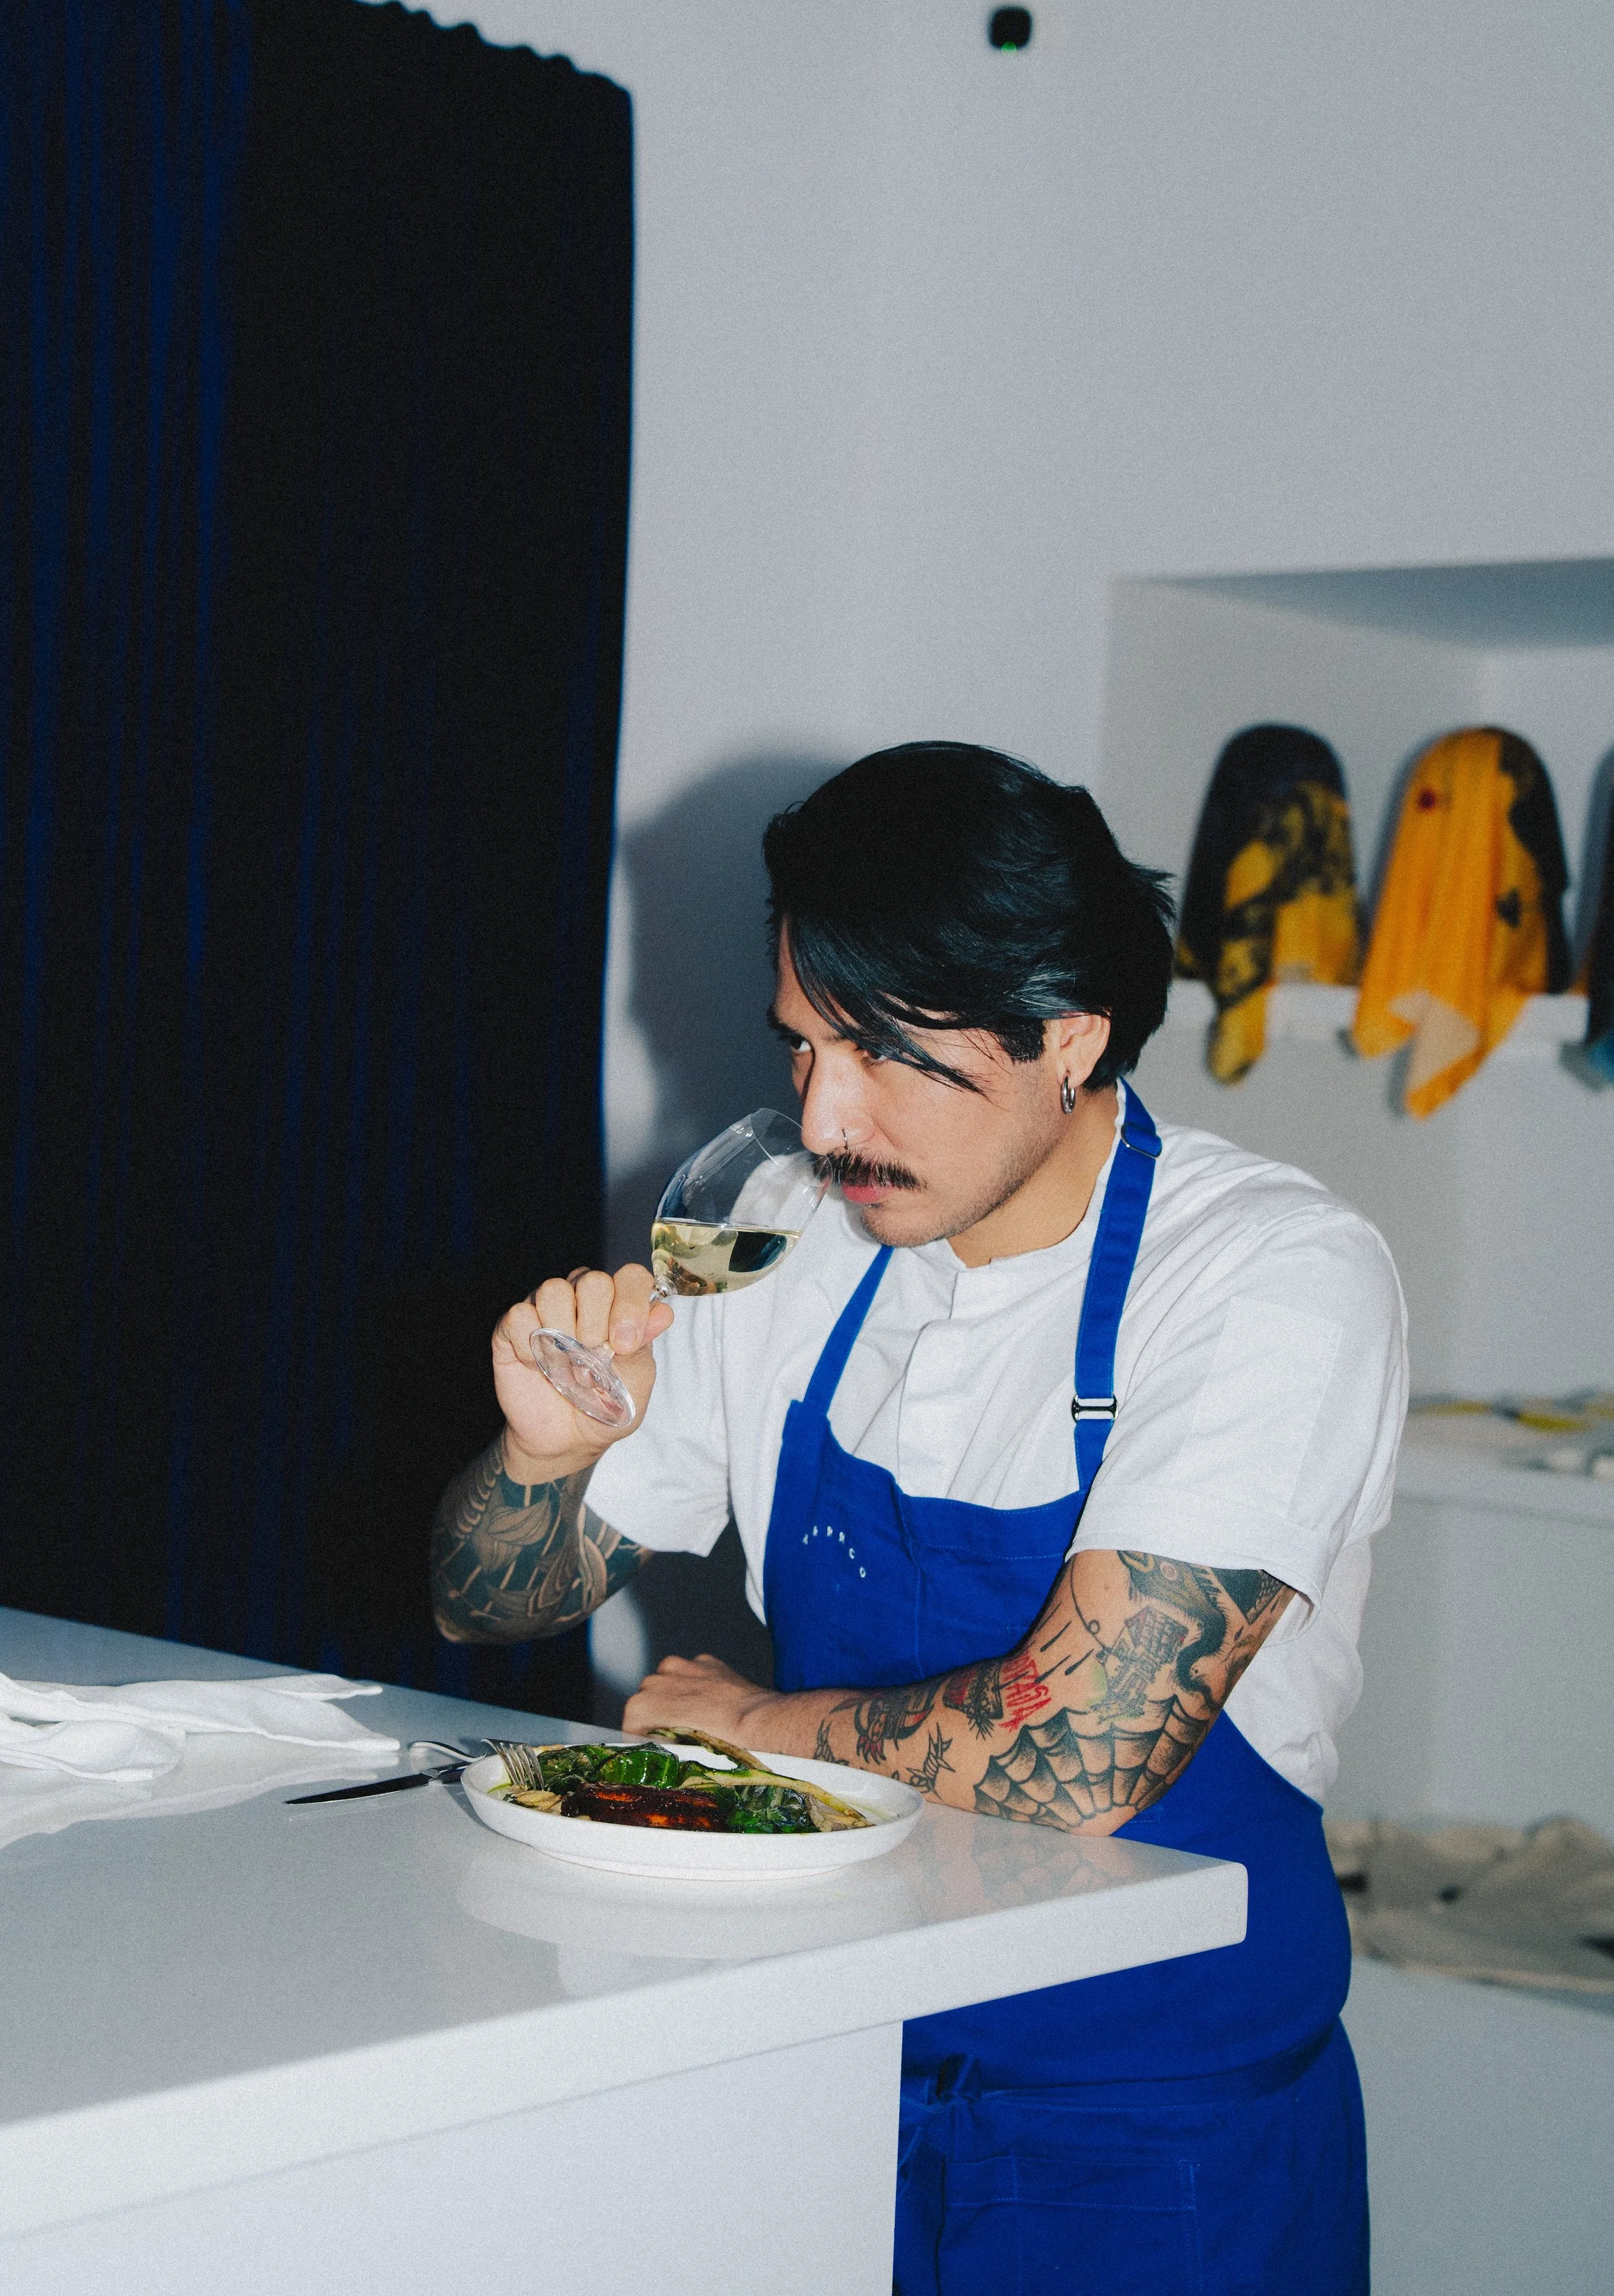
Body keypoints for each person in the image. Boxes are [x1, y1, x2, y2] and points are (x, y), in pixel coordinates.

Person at [432, 741, 1405, 2295]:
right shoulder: (777, 1233)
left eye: (884, 1053)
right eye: (803, 1047)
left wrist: (755, 1723)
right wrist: (542, 1458)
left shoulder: (1271, 1274)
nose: (822, 1119)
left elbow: (1086, 1747)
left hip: (1152, 2137)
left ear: (1069, 1037)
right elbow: (487, 1602)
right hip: (824, 2071)